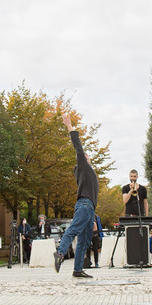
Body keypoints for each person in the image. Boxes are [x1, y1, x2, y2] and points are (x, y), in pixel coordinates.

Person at [52, 113, 99, 280]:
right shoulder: (84, 167)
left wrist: (92, 217)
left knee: (84, 241)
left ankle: (77, 270)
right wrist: (69, 126)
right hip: (84, 206)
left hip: (88, 208)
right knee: (73, 231)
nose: (87, 155)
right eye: (85, 155)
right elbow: (78, 146)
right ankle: (60, 252)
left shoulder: (88, 173)